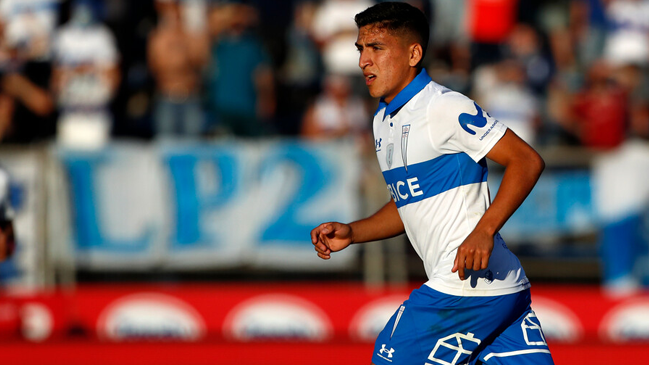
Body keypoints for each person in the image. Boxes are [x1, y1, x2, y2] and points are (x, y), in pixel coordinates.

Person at [310, 3, 554, 365]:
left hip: (465, 287)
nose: (363, 60)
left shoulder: (445, 106)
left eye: (376, 48)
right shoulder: (382, 121)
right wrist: (353, 232)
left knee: (390, 358)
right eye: (360, 49)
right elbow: (409, 203)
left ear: (413, 53)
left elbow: (526, 160)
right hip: (501, 290)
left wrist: (484, 230)